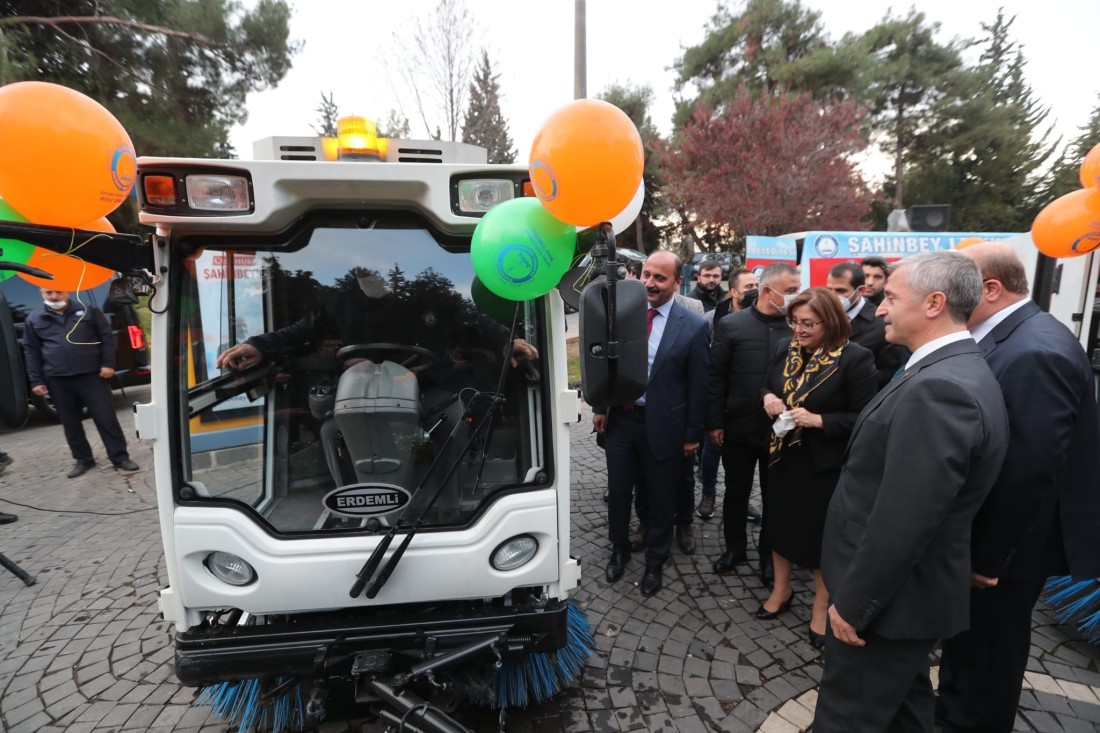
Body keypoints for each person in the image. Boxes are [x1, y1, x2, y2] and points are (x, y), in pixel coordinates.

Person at [814, 251, 1008, 733]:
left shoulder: (942, 388)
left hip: (885, 608)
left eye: (891, 297)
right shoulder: (948, 369)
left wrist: (854, 606)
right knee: (906, 713)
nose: (878, 308)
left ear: (933, 303)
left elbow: (905, 518)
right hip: (902, 602)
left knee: (847, 719)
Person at [936, 242, 1100, 733]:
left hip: (1008, 549)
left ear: (990, 288)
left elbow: (1028, 470)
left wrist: (987, 557)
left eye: (955, 289)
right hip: (1000, 540)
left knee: (989, 653)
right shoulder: (1014, 336)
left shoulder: (1034, 350)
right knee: (972, 646)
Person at [759, 288, 877, 651]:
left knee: (819, 537)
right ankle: (781, 589)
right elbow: (766, 383)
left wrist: (819, 420)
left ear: (831, 322)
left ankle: (821, 606)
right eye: (794, 321)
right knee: (778, 524)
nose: (798, 330)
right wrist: (767, 396)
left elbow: (865, 416)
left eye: (808, 323)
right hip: (782, 457)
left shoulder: (855, 359)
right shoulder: (785, 348)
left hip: (822, 464)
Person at [594, 250, 709, 597]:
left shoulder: (694, 327)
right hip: (621, 422)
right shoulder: (622, 316)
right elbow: (604, 365)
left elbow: (698, 385)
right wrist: (600, 406)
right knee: (618, 492)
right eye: (646, 275)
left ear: (677, 282)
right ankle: (619, 548)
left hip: (665, 428)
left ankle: (656, 561)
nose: (650, 283)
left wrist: (692, 434)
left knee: (662, 498)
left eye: (660, 278)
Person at [705, 263, 800, 580]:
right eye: (790, 291)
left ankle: (769, 558)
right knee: (736, 493)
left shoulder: (795, 327)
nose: (795, 297)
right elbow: (715, 377)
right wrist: (714, 422)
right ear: (768, 291)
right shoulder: (732, 325)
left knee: (775, 498)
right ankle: (734, 549)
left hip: (782, 430)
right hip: (738, 427)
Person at [24, 289, 140, 477]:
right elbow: (32, 351)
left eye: (59, 292)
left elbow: (107, 338)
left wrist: (108, 363)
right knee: (70, 423)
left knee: (106, 418)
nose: (54, 296)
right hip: (58, 379)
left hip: (92, 376)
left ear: (68, 291)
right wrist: (36, 380)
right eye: (48, 292)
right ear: (41, 293)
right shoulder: (34, 319)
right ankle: (83, 459)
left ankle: (120, 457)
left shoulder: (89, 310)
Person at [697, 268, 760, 520]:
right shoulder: (713, 318)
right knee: (712, 451)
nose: (754, 290)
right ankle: (708, 493)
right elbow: (704, 359)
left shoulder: (761, 316)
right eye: (749, 286)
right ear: (733, 291)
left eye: (757, 284)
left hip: (749, 402)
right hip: (719, 398)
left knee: (744, 459)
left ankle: (741, 499)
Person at [826, 261, 907, 388]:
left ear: (860, 291)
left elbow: (891, 372)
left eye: (840, 291)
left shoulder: (882, 323)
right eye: (829, 290)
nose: (833, 296)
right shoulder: (822, 317)